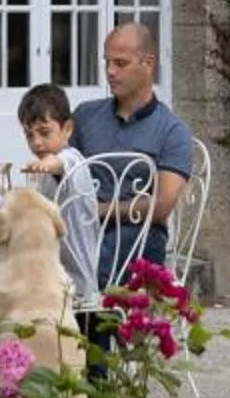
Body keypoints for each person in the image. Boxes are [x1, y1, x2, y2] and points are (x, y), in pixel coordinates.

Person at [0, 80, 103, 349]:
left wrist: (48, 164)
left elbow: (62, 162)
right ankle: (3, 363)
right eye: (29, 135)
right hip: (48, 274)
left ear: (68, 129)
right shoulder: (43, 175)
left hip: (73, 282)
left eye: (44, 132)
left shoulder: (73, 161)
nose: (37, 142)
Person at [72, 22, 197, 289]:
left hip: (138, 237)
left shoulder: (172, 131)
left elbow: (161, 207)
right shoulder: (85, 116)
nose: (110, 72)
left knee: (122, 241)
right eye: (107, 62)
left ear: (148, 64)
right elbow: (63, 175)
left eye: (120, 63)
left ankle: (94, 306)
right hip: (84, 231)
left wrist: (98, 211)